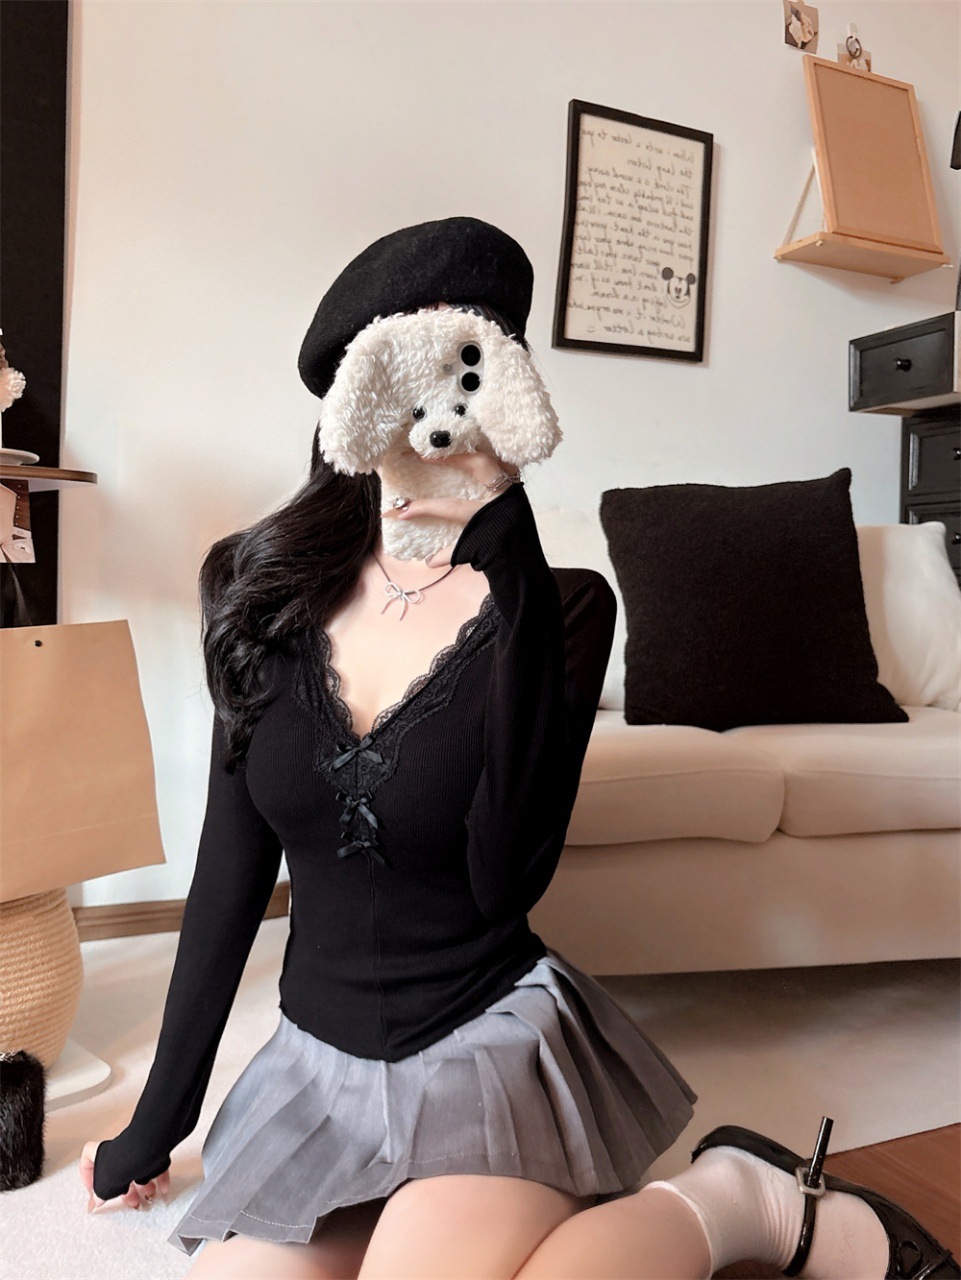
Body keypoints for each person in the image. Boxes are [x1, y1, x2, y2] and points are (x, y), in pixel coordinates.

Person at [79, 217, 958, 1280]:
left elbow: (504, 878)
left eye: (465, 369)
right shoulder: (252, 586)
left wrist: (506, 540)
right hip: (319, 1068)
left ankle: (740, 1199)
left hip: (482, 1042)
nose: (433, 414)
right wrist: (157, 1120)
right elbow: (229, 869)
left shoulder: (561, 609)